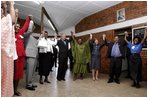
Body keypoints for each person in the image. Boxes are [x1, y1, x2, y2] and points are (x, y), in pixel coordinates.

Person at [14, 15, 32, 96]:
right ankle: (10, 90)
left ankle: (15, 90)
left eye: (18, 26)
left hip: (21, 57)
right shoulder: (11, 34)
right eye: (16, 26)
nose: (17, 28)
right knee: (14, 74)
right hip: (14, 57)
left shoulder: (21, 33)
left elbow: (25, 27)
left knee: (18, 74)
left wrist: (28, 19)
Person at [1, 1, 16, 97]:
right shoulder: (3, 22)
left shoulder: (4, 22)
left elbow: (11, 20)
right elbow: (12, 20)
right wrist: (11, 4)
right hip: (3, 55)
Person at [23, 17, 38, 90]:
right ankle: (28, 85)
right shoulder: (26, 34)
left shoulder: (31, 36)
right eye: (32, 27)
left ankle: (31, 82)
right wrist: (31, 21)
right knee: (29, 71)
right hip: (30, 55)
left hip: (34, 55)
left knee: (33, 71)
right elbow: (29, 30)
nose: (33, 28)